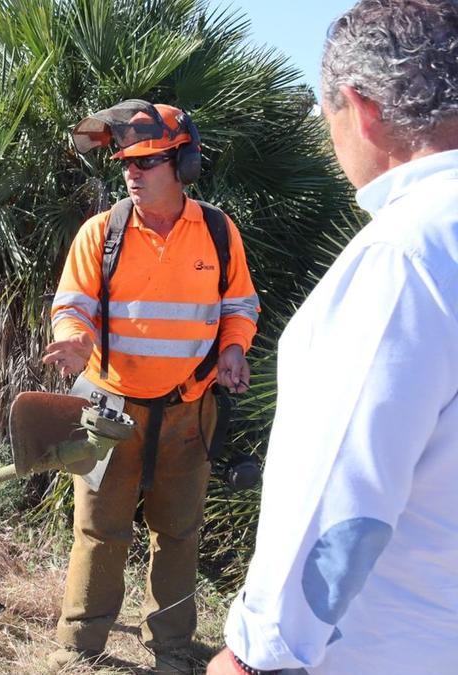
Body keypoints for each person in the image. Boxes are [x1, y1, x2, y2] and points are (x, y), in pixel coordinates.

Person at [208, 1, 458, 673]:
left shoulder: (406, 255)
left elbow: (342, 492)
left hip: (390, 647)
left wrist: (255, 653)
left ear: (361, 105)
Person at [45, 100, 260, 673]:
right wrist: (74, 338)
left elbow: (239, 303)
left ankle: (168, 645)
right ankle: (80, 645)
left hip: (190, 409)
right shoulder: (102, 231)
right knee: (97, 528)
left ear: (182, 164)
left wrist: (234, 348)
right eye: (125, 164)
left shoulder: (217, 230)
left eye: (145, 163)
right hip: (106, 408)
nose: (131, 175)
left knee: (179, 531)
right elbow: (73, 305)